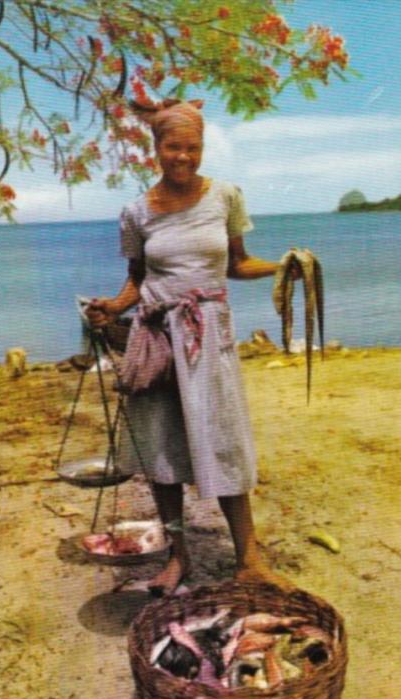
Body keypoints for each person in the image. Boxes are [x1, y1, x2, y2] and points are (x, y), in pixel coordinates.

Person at [86, 99, 296, 596]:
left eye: (193, 148)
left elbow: (235, 265)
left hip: (209, 339)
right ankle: (179, 557)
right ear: (155, 148)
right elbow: (138, 279)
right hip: (156, 338)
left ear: (203, 148)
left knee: (223, 441)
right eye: (173, 147)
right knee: (161, 448)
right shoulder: (136, 213)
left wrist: (284, 265)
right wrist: (114, 308)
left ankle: (249, 559)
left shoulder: (224, 197)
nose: (183, 157)